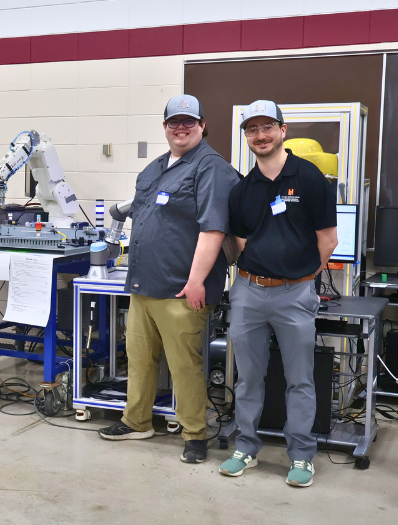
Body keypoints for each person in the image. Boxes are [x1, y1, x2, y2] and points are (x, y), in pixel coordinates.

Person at [98, 95, 241, 464]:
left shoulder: (211, 168)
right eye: (174, 121)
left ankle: (195, 435)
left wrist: (196, 281)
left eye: (189, 121)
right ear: (164, 126)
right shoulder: (154, 169)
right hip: (143, 285)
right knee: (139, 359)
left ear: (202, 125)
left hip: (182, 289)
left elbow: (213, 229)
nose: (181, 127)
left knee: (184, 366)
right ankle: (137, 421)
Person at [221, 100, 337, 487]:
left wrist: (301, 278)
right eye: (252, 129)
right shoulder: (243, 189)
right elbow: (240, 242)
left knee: (300, 379)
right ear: (246, 137)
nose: (261, 135)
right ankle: (246, 447)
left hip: (295, 294)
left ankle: (301, 454)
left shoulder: (309, 178)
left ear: (282, 130)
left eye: (267, 126)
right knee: (248, 377)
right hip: (248, 293)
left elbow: (328, 240)